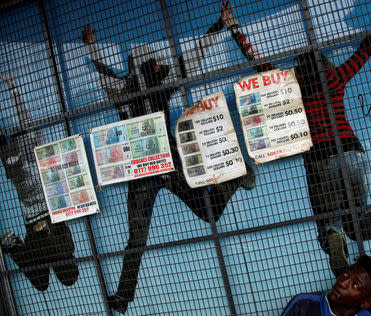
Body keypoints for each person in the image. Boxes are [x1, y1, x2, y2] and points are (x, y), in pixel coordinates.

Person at [221, 0, 371, 276]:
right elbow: (368, 45)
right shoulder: (337, 77)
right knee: (358, 222)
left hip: (319, 158)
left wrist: (234, 26)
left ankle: (333, 238)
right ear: (324, 62)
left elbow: (256, 60)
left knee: (330, 224)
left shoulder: (291, 87)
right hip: (353, 153)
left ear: (300, 67)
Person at [81, 3, 256, 313]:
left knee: (194, 217)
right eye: (155, 64)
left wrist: (218, 25)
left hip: (165, 164)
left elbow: (190, 57)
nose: (161, 67)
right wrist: (93, 48)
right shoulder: (132, 87)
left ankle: (235, 176)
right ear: (146, 67)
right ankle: (123, 297)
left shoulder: (148, 84)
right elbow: (112, 76)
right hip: (146, 170)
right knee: (140, 236)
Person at [0, 74, 79, 292]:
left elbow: (61, 226)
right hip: (33, 203)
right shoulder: (61, 253)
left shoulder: (65, 251)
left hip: (36, 201)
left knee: (14, 135)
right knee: (13, 136)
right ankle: (14, 245)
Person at [281, 255, 371, 316]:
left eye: (354, 285)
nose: (342, 283)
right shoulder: (303, 306)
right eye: (346, 274)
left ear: (365, 303)